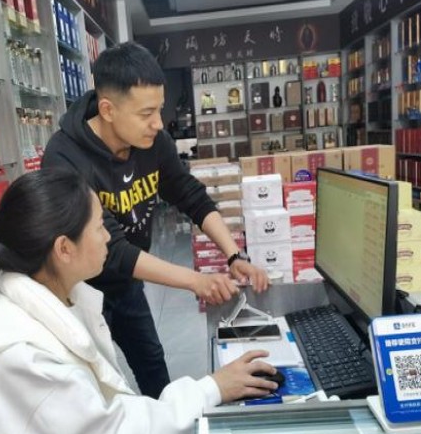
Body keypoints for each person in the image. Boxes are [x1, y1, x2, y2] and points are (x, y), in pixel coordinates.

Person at [0, 169, 279, 434]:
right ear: (64, 249)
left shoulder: (60, 297)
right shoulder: (17, 355)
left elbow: (104, 418)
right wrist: (212, 389)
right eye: (100, 226)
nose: (109, 238)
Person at [42, 41, 269, 399]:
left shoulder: (154, 142)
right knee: (95, 386)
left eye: (159, 110)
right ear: (108, 109)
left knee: (152, 366)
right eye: (146, 113)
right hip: (77, 290)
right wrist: (195, 281)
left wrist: (233, 255)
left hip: (126, 283)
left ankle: (168, 429)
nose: (158, 123)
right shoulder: (64, 158)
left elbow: (190, 195)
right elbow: (113, 250)